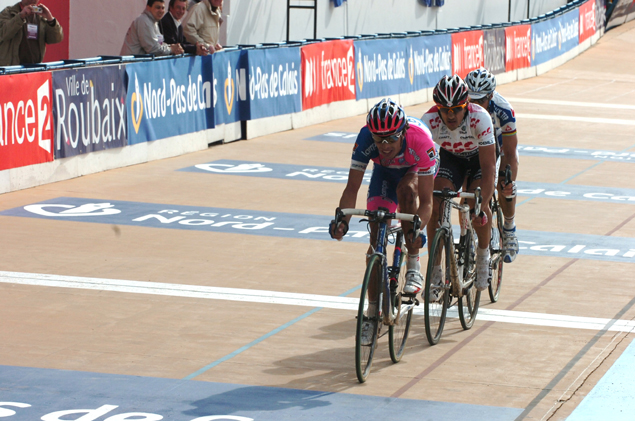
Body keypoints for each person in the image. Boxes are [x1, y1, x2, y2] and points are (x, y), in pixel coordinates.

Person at [330, 98, 437, 345]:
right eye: (380, 140)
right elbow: (351, 188)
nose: (385, 145)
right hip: (385, 173)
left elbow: (428, 203)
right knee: (376, 231)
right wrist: (342, 221)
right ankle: (371, 313)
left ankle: (413, 264)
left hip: (414, 169)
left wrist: (418, 228)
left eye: (391, 138)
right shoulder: (366, 139)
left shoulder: (420, 139)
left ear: (403, 133)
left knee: (408, 194)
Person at [421, 75, 497, 293]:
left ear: (467, 105)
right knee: (436, 202)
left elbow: (489, 167)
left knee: (477, 202)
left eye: (456, 108)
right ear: (437, 109)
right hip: (451, 158)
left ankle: (483, 255)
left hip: (479, 159)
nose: (450, 114)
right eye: (444, 110)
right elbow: (421, 165)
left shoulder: (480, 118)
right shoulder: (429, 121)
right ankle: (435, 271)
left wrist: (482, 204)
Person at [465, 68, 519, 263]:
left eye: (481, 101)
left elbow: (510, 152)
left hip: (499, 147)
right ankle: (469, 235)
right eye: (472, 100)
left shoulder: (504, 111)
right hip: (476, 147)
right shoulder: (464, 107)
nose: (476, 105)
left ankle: (510, 229)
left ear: (491, 96)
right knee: (470, 188)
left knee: (504, 184)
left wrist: (508, 179)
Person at [0, 0, 63, 66]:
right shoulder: (8, 12)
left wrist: (50, 19)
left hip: (34, 68)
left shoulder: (41, 16)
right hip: (13, 68)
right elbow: (2, 34)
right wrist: (20, 16)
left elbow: (56, 39)